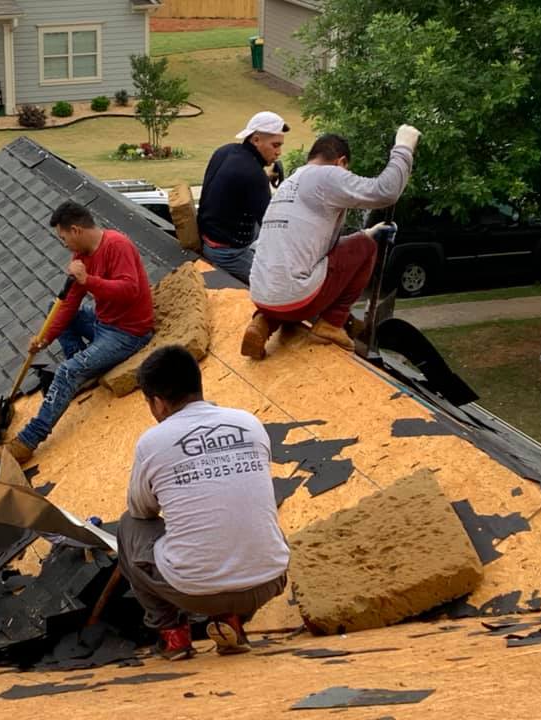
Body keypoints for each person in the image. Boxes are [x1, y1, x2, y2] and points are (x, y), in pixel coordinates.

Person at [118, 345, 290, 659]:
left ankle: (173, 635)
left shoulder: (153, 442)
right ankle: (230, 624)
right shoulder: (250, 423)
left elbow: (142, 511)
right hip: (269, 580)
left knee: (129, 527)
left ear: (157, 402)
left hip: (197, 592)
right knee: (254, 519)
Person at [0, 201, 155, 464]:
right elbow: (69, 304)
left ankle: (26, 442)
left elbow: (130, 291)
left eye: (63, 236)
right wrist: (45, 338)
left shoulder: (117, 245)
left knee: (67, 371)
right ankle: (83, 365)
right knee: (53, 308)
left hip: (128, 332)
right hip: (102, 323)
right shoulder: (81, 258)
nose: (64, 243)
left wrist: (87, 280)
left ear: (76, 230)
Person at [242, 126, 421, 359]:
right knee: (367, 249)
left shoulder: (291, 183)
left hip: (261, 296)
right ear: (341, 162)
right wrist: (404, 147)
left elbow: (319, 250)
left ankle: (263, 323)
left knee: (291, 277)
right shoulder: (328, 174)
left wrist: (366, 232)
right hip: (296, 301)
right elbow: (386, 192)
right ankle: (331, 324)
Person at [197, 111, 289, 281]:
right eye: (275, 145)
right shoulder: (254, 175)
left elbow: (234, 183)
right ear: (255, 140)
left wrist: (266, 179)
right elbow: (272, 227)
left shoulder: (225, 151)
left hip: (209, 233)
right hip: (227, 253)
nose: (279, 152)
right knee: (275, 281)